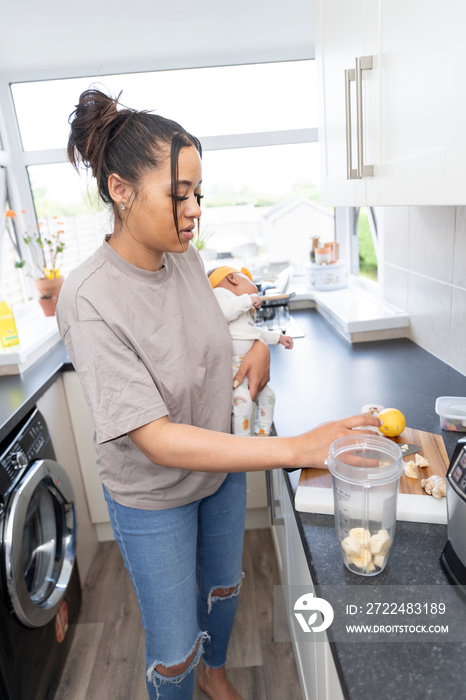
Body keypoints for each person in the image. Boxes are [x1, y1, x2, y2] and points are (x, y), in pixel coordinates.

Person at [57, 88, 380, 700]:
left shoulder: (180, 257)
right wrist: (296, 448)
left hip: (221, 469)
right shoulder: (89, 299)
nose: (194, 210)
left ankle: (217, 673)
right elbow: (154, 439)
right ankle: (190, 674)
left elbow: (205, 332)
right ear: (121, 190)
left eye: (197, 196)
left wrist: (254, 345)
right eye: (178, 196)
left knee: (225, 589)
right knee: (173, 651)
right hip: (153, 497)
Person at [208, 265, 293, 437]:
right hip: (233, 369)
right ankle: (244, 443)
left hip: (246, 365)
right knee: (244, 403)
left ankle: (263, 434)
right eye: (250, 281)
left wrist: (277, 338)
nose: (255, 287)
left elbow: (253, 332)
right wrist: (248, 299)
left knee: (269, 396)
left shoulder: (242, 310)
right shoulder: (219, 295)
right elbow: (222, 313)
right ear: (233, 278)